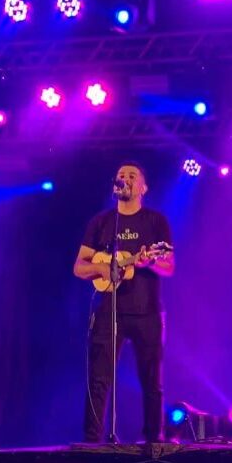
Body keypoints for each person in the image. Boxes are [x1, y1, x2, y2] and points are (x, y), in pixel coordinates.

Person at [73, 161, 175, 443]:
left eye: (132, 176)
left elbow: (169, 267)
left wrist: (146, 261)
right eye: (120, 175)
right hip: (109, 311)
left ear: (143, 187)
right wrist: (106, 269)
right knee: (99, 379)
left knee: (151, 380)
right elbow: (79, 267)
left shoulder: (156, 222)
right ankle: (92, 441)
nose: (124, 178)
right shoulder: (101, 222)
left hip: (147, 312)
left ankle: (154, 441)